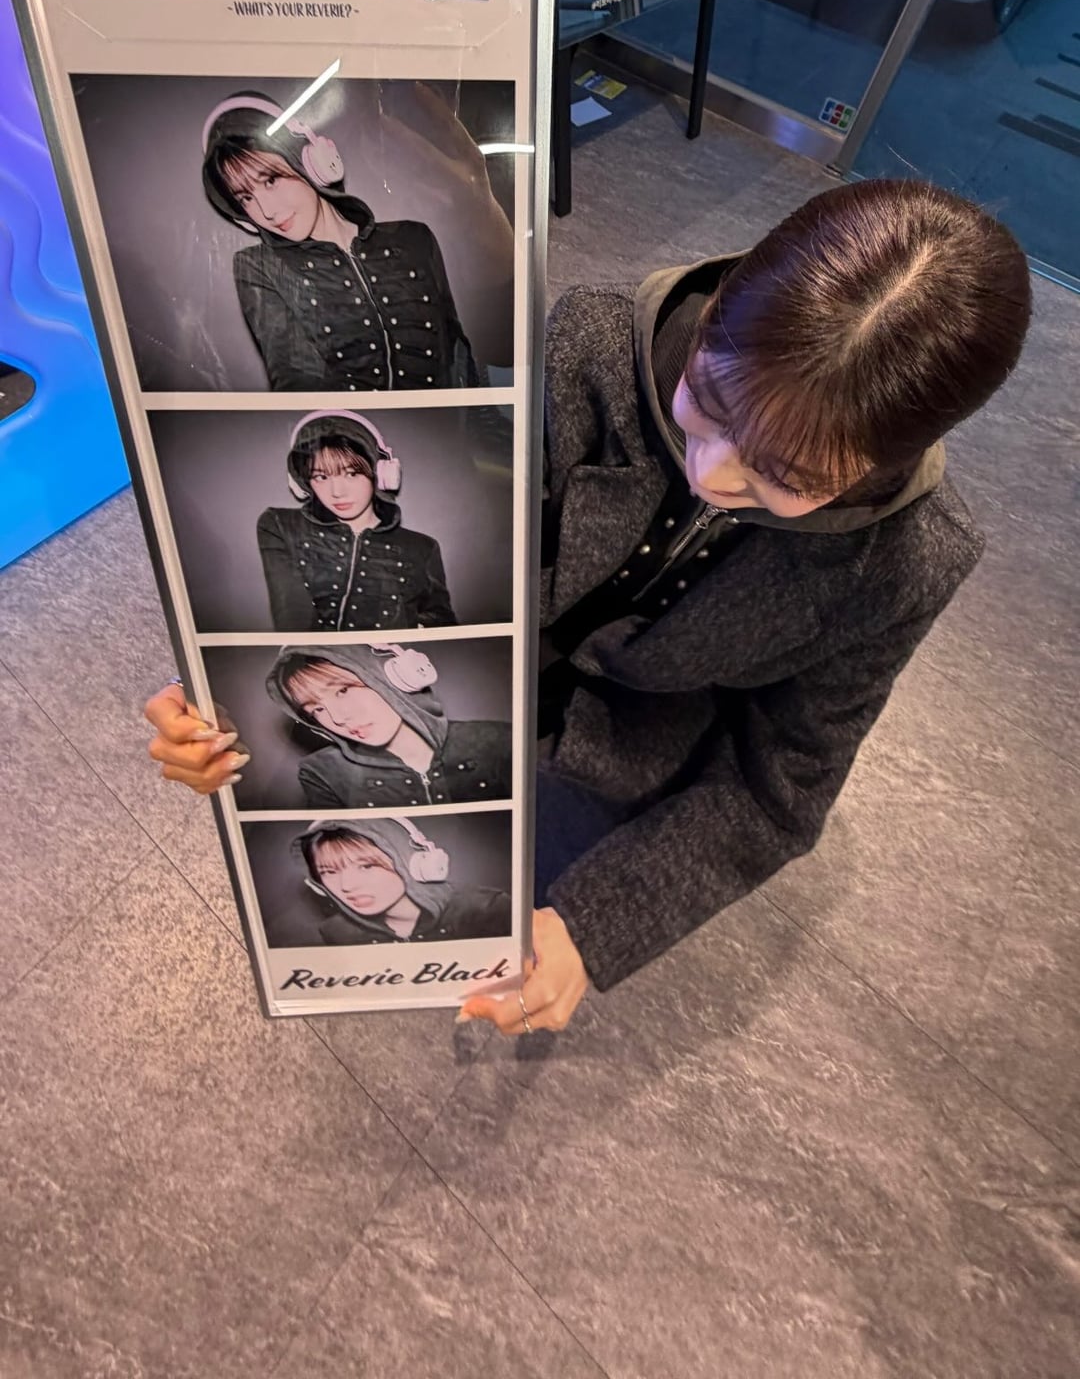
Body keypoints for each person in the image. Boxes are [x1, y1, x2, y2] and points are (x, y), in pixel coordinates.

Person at [145, 180, 1032, 1037]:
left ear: (879, 466)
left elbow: (779, 787)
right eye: (705, 402)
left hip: (631, 758)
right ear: (716, 313)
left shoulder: (907, 563)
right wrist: (238, 687)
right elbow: (448, 546)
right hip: (460, 681)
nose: (712, 473)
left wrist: (592, 924)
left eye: (785, 477)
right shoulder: (595, 344)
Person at [201, 88, 511, 389]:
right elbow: (295, 381)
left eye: (271, 180)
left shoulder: (414, 239)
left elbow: (469, 359)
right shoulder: (260, 267)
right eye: (245, 198)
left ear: (311, 160)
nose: (266, 211)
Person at [256, 410, 457, 634]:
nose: (337, 492)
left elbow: (443, 626)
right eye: (321, 477)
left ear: (380, 473)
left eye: (351, 474)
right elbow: (294, 624)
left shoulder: (422, 548)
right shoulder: (280, 525)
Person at [266, 642, 512, 807]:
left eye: (343, 690)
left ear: (391, 677)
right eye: (316, 709)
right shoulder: (323, 773)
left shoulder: (499, 741)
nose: (338, 718)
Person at [291, 818, 511, 947]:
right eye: (328, 872)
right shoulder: (338, 932)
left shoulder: (487, 909)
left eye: (367, 866)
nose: (346, 885)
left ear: (414, 862)